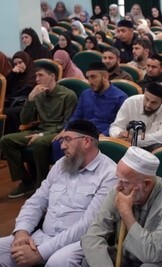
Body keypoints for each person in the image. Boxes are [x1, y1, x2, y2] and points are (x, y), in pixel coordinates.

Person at [0, 120, 117, 266]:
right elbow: (36, 200)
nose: (62, 146)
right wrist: (22, 232)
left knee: (57, 262)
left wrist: (41, 252)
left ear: (87, 141)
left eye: (67, 139)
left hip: (79, 242)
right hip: (43, 235)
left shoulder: (109, 174)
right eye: (62, 140)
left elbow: (88, 225)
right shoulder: (61, 164)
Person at [82, 146, 162, 266]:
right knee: (90, 261)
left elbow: (152, 254)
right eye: (118, 178)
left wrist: (126, 213)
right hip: (125, 256)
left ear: (146, 185)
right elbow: (92, 236)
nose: (118, 186)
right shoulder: (119, 190)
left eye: (125, 182)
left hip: (159, 261)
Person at [0, 63, 78, 198]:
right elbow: (24, 120)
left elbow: (67, 124)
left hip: (58, 132)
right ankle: (26, 181)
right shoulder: (39, 94)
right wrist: (30, 99)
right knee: (6, 140)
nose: (36, 79)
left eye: (40, 75)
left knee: (40, 142)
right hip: (40, 129)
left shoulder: (68, 95)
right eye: (36, 75)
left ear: (52, 76)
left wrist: (42, 134)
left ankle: (41, 185)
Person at [110, 82, 162, 151]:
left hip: (153, 144)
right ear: (144, 92)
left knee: (158, 148)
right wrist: (119, 134)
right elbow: (116, 126)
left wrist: (136, 139)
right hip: (128, 143)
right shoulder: (131, 102)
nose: (148, 105)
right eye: (147, 99)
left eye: (153, 102)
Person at [5, 51, 36, 135]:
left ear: (26, 61)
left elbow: (29, 90)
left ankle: (12, 136)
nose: (18, 65)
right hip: (14, 101)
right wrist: (12, 74)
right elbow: (6, 90)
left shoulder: (33, 74)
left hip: (28, 103)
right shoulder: (15, 75)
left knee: (10, 112)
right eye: (15, 64)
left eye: (20, 62)